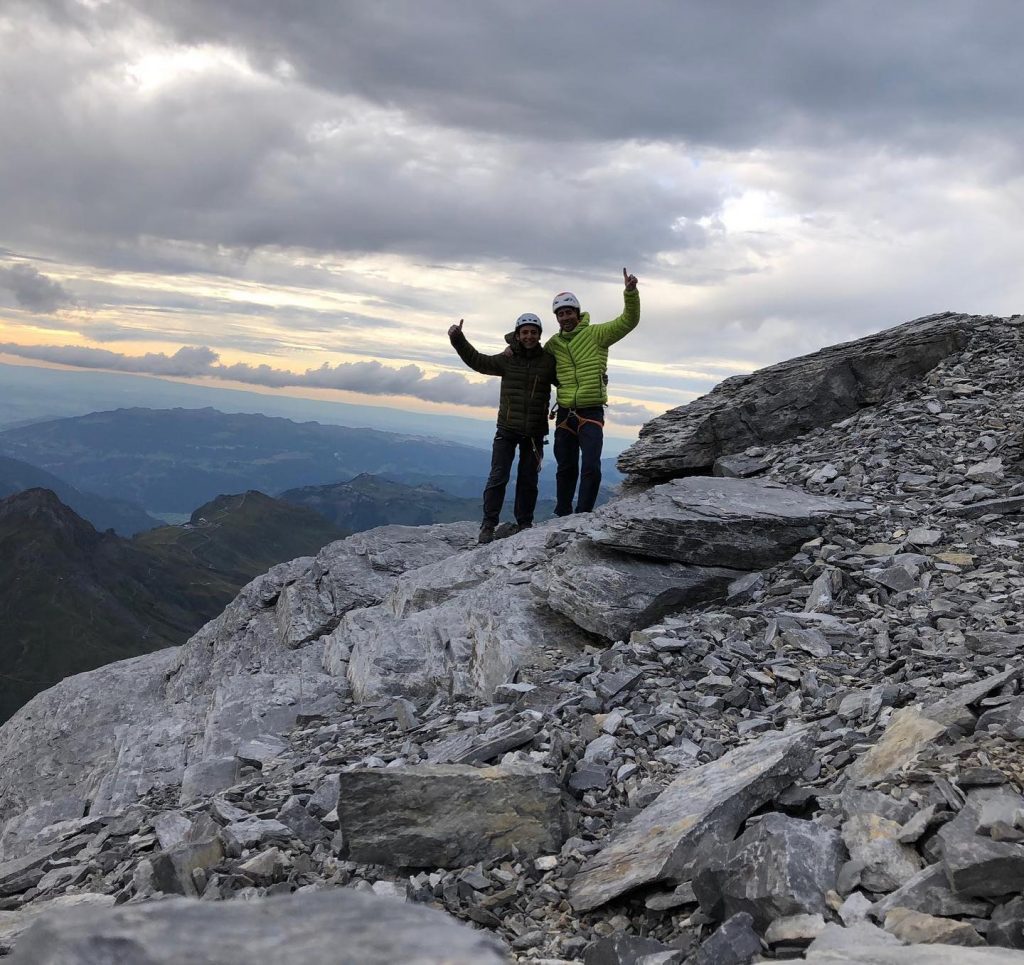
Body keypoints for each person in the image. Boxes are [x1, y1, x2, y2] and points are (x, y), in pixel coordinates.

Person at [449, 312, 557, 544]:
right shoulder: (507, 359)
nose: (529, 336)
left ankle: (524, 523)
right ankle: (488, 525)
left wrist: (598, 378)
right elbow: (479, 361)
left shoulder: (548, 361)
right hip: (507, 429)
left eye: (533, 332)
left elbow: (569, 379)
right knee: (498, 477)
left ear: (539, 335)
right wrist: (458, 340)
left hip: (535, 432)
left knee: (529, 480)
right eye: (525, 332)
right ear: (517, 335)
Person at [547, 267, 640, 515]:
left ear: (577, 313)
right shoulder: (554, 345)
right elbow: (534, 359)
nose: (565, 317)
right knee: (565, 467)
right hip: (566, 412)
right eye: (560, 314)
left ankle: (583, 514)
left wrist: (630, 293)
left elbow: (628, 321)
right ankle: (562, 513)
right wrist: (511, 345)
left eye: (568, 312)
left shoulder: (596, 334)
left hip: (591, 411)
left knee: (591, 467)